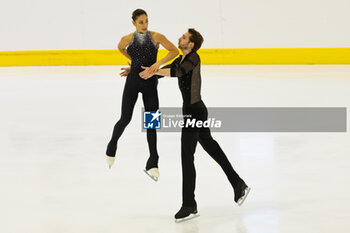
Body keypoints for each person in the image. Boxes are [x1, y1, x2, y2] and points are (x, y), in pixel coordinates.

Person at [139, 28, 250, 222]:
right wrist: (138, 73)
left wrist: (154, 70)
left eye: (184, 37)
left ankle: (189, 204)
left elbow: (177, 72)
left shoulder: (193, 59)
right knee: (211, 148)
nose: (180, 38)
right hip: (193, 110)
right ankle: (238, 184)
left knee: (186, 156)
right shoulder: (181, 58)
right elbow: (160, 73)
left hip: (195, 112)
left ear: (191, 44)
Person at [106, 9, 179, 182]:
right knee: (125, 118)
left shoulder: (156, 37)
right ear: (133, 23)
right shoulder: (126, 39)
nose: (145, 25)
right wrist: (134, 64)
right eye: (141, 22)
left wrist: (156, 65)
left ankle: (153, 161)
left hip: (150, 83)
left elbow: (174, 51)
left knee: (151, 122)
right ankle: (112, 144)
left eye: (146, 21)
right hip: (132, 82)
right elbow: (120, 48)